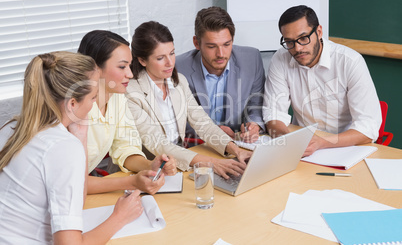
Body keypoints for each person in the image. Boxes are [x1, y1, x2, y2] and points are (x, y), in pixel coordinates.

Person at [0, 51, 143, 244]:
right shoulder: (62, 148)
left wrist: (81, 133)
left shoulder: (10, 128)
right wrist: (120, 217)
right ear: (72, 103)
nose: (95, 105)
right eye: (93, 98)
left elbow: (76, 202)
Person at [126, 21, 252, 179]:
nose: (170, 62)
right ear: (142, 60)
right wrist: (211, 162)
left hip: (177, 166)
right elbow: (158, 144)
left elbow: (202, 122)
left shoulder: (179, 82)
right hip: (146, 172)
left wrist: (236, 149)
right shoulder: (130, 92)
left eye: (172, 53)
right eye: (160, 58)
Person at [263, 5, 382, 156]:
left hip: (346, 148)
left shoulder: (350, 62)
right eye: (289, 42)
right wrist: (287, 141)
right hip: (303, 150)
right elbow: (274, 113)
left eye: (303, 38)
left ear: (319, 32)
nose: (297, 48)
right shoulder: (281, 59)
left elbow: (368, 128)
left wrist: (322, 143)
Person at [77, 30, 176, 195]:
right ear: (95, 68)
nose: (130, 74)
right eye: (122, 66)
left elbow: (125, 147)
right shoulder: (75, 108)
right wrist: (131, 182)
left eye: (129, 66)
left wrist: (150, 165)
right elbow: (74, 181)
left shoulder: (117, 97)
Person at [175, 6, 265, 143]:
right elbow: (177, 121)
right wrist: (212, 131)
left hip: (239, 142)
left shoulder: (252, 59)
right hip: (200, 146)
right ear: (196, 43)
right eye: (212, 46)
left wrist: (254, 125)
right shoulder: (178, 67)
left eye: (226, 44)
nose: (221, 54)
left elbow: (257, 106)